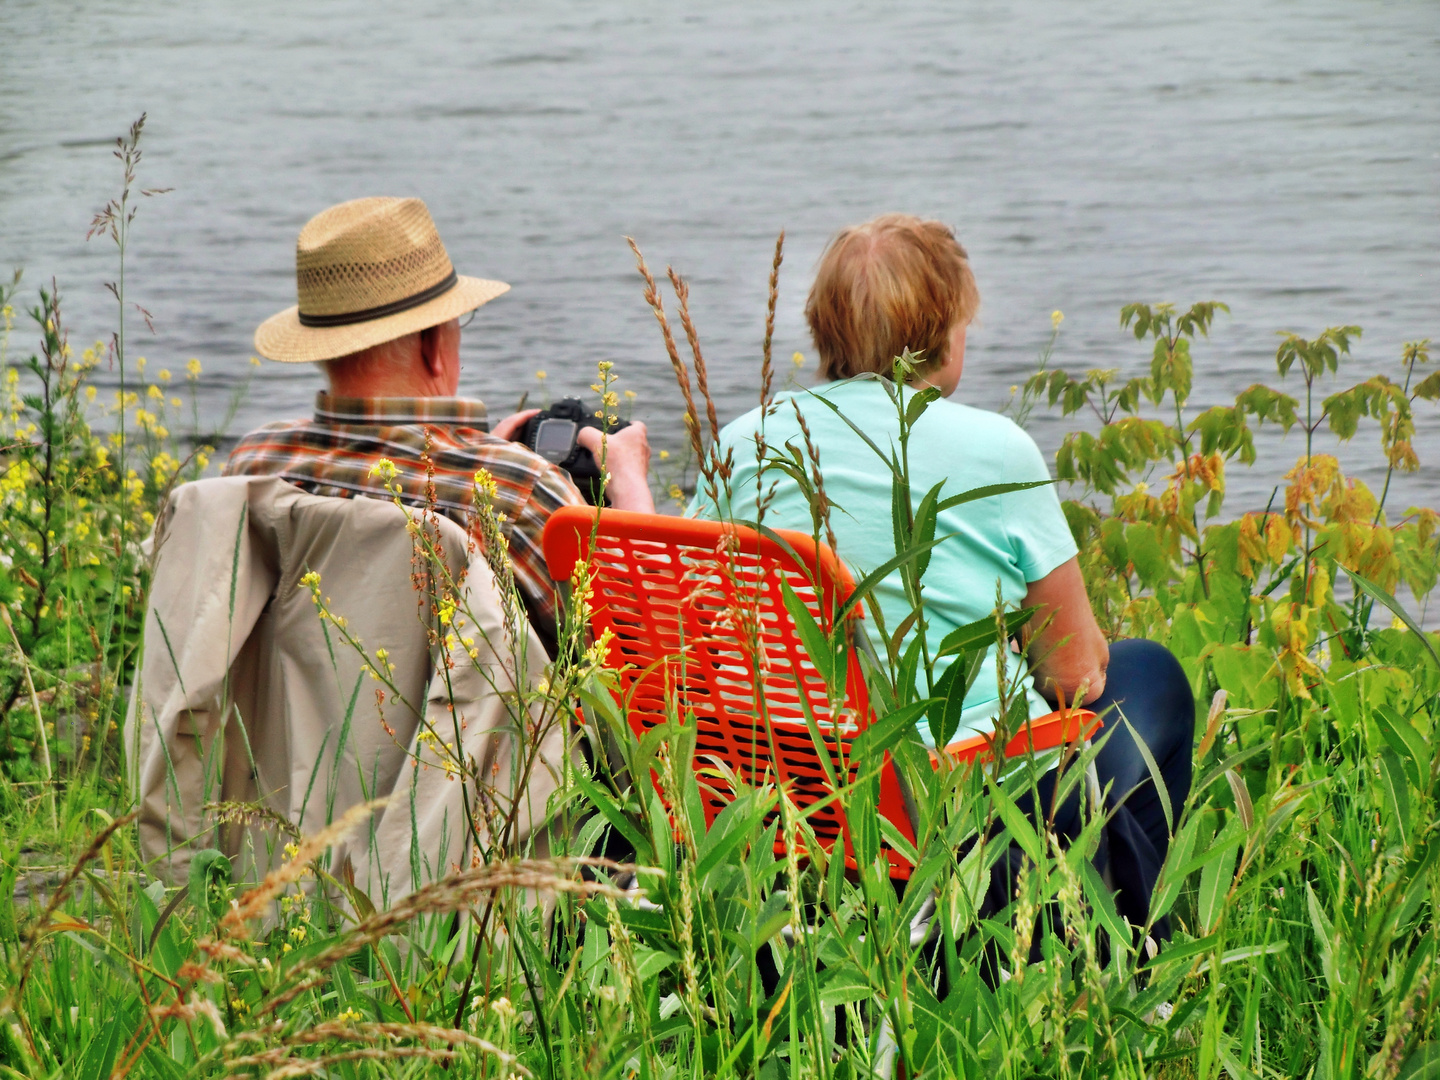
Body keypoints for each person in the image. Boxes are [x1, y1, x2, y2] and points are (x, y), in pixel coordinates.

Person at [691, 213, 1193, 935]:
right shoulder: (995, 450)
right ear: (942, 334)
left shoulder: (742, 443)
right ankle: (1120, 943)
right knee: (1149, 675)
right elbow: (1077, 675)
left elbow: (712, 628)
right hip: (961, 795)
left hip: (790, 785)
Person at [227, 196, 654, 649]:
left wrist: (476, 451)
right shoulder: (515, 493)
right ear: (433, 344)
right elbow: (649, 659)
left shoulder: (254, 463)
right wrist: (629, 489)